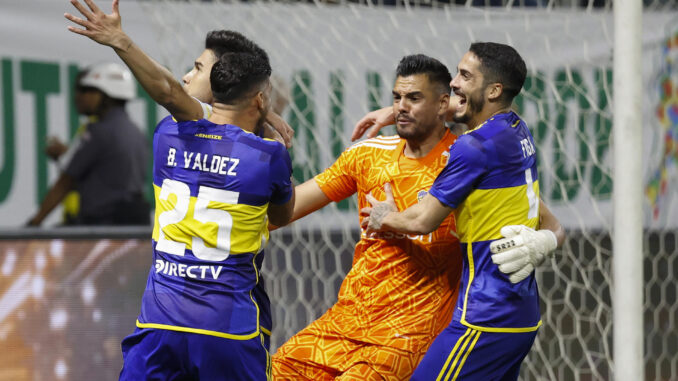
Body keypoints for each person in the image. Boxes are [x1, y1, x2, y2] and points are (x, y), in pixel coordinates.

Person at [272, 54, 564, 380]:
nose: (401, 107)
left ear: (443, 104)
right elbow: (285, 211)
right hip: (347, 321)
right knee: (275, 370)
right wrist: (264, 163)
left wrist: (547, 239)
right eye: (396, 98)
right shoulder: (367, 155)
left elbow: (540, 215)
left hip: (412, 332)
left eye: (413, 98)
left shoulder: (469, 159)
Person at [362, 42, 561, 380]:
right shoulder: (516, 131)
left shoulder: (474, 146)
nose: (453, 82)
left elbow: (423, 220)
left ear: (494, 90)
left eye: (465, 76)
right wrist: (394, 111)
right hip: (522, 317)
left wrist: (384, 217)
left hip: (484, 316)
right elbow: (554, 224)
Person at [118, 50, 294, 380]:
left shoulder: (166, 134)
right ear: (259, 99)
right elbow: (283, 216)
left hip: (159, 323)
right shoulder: (268, 155)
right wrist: (267, 127)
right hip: (226, 330)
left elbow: (176, 99)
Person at [64, 0, 293, 146]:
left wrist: (122, 42)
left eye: (198, 68)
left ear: (224, 78)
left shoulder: (210, 122)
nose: (186, 76)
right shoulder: (264, 144)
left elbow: (168, 92)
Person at [27, 62, 150, 226]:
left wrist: (34, 224)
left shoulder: (99, 131)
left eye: (85, 90)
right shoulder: (136, 132)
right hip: (130, 228)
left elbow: (66, 182)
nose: (78, 96)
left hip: (102, 227)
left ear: (106, 95)